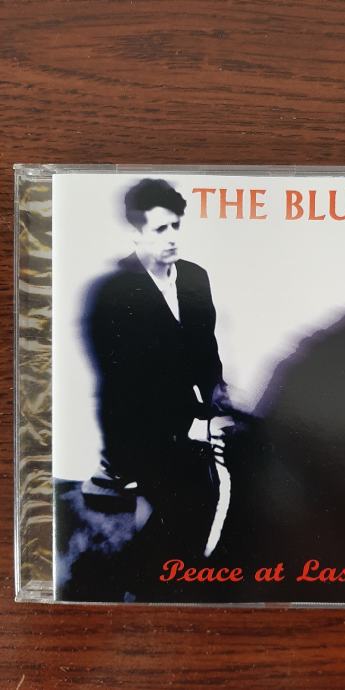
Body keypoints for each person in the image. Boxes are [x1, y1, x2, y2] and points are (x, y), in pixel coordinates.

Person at [81, 178, 230, 560]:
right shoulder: (112, 293)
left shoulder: (195, 278)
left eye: (176, 225)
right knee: (181, 504)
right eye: (160, 229)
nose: (172, 237)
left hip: (188, 423)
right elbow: (118, 386)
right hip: (138, 431)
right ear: (136, 233)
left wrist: (218, 399)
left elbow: (206, 350)